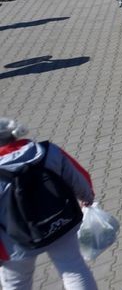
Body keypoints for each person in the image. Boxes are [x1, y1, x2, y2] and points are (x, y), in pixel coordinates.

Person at [0, 118, 99, 290]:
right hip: (60, 222)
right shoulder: (46, 151)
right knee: (73, 268)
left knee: (17, 283)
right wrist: (87, 198)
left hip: (15, 240)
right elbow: (78, 177)